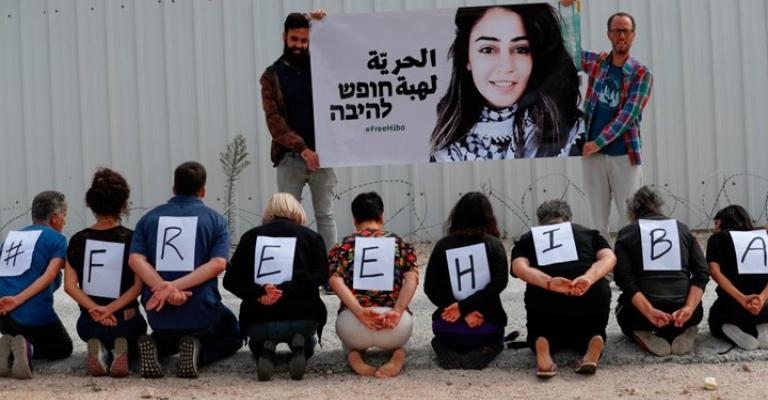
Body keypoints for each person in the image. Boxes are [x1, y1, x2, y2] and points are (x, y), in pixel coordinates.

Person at [128, 162, 242, 379]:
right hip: (200, 310)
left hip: (158, 309)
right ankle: (199, 352)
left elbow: (135, 260)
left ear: (174, 189)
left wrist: (163, 289)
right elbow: (218, 263)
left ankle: (156, 346)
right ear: (203, 191)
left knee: (168, 333)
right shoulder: (215, 220)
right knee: (231, 333)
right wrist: (173, 288)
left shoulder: (148, 219)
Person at [430, 4, 583, 162]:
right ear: (466, 57)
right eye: (488, 49)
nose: (505, 66)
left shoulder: (574, 134)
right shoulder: (444, 151)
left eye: (521, 49)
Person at [564, 1, 654, 242]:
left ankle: (631, 261)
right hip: (593, 155)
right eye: (616, 31)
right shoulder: (598, 63)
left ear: (633, 35)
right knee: (597, 220)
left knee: (630, 217)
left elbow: (628, 116)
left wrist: (597, 143)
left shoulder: (641, 73)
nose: (621, 36)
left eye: (626, 31)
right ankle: (603, 261)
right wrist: (567, 12)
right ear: (609, 35)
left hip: (623, 154)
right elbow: (568, 50)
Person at [224, 193, 328, 381]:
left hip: (260, 320)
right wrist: (289, 289)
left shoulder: (250, 237)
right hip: (303, 318)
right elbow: (322, 276)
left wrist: (259, 293)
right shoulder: (312, 237)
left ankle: (265, 348)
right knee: (308, 340)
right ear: (297, 211)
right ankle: (301, 345)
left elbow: (230, 280)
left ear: (269, 212)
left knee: (258, 341)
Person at [260, 11, 337, 252]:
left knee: (325, 215)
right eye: (294, 39)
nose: (299, 45)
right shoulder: (271, 76)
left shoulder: (321, 67)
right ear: (284, 37)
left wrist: (322, 22)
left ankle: (328, 268)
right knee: (286, 217)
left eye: (305, 41)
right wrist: (303, 149)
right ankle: (290, 267)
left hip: (322, 155)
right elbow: (274, 121)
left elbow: (343, 51)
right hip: (290, 157)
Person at [511, 200, 615, 377]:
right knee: (589, 329)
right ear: (570, 219)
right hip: (588, 294)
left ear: (540, 221)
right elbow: (609, 258)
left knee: (542, 328)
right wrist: (588, 278)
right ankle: (592, 341)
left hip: (546, 298)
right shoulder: (589, 233)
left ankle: (542, 342)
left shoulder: (528, 238)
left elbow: (519, 268)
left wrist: (549, 282)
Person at [64, 168, 147, 377]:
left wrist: (96, 311)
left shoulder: (77, 240)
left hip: (88, 323)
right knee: (138, 332)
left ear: (91, 203)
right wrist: (109, 310)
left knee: (92, 331)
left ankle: (101, 350)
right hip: (125, 322)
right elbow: (138, 286)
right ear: (123, 204)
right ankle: (122, 350)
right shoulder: (133, 239)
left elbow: (69, 287)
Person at [328, 192, 419, 378]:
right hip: (393, 324)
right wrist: (397, 311)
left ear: (354, 219)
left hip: (353, 323)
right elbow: (412, 278)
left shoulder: (343, 246)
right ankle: (398, 355)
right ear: (381, 217)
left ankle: (354, 355)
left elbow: (335, 280)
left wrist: (360, 312)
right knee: (404, 338)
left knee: (349, 342)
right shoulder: (400, 243)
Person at [613, 186, 708, 356]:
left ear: (632, 212)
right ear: (659, 206)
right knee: (694, 312)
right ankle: (684, 329)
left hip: (642, 315)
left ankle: (643, 333)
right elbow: (702, 273)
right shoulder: (683, 229)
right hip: (684, 314)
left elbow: (623, 279)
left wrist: (649, 312)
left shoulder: (626, 233)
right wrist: (689, 308)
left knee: (623, 312)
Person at [424, 192, 508, 370]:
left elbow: (430, 288)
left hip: (447, 327)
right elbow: (499, 283)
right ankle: (489, 348)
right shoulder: (494, 244)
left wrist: (461, 310)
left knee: (441, 336)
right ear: (488, 217)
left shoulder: (442, 245)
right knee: (497, 336)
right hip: (485, 328)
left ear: (456, 216)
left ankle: (443, 346)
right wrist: (466, 309)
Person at [0, 191, 73, 380]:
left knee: (17, 334)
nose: (65, 220)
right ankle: (27, 349)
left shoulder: (11, 238)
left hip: (3, 314)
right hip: (30, 314)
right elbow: (50, 275)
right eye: (64, 215)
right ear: (55, 218)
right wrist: (17, 300)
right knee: (62, 346)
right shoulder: (57, 239)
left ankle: (9, 347)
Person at [707, 205, 768, 350]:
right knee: (763, 313)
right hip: (763, 307)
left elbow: (714, 272)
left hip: (731, 309)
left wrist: (742, 299)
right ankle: (763, 325)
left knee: (715, 318)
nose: (715, 228)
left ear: (723, 222)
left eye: (716, 223)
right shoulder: (764, 237)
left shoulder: (717, 239)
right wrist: (761, 299)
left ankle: (730, 328)